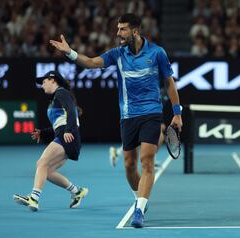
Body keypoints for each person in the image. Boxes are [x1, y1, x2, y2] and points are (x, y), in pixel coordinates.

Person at [50, 13, 183, 228]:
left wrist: (177, 113)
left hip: (151, 113)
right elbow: (92, 63)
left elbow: (169, 83)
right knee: (129, 165)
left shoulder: (157, 53)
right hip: (128, 116)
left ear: (135, 31)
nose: (118, 33)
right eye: (118, 28)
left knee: (147, 161)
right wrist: (70, 53)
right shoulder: (117, 54)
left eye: (122, 29)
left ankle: (139, 209)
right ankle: (139, 198)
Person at [13, 71, 88, 212]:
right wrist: (43, 133)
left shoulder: (61, 93)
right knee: (47, 170)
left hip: (68, 137)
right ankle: (77, 192)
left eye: (43, 82)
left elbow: (72, 111)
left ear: (52, 80)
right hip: (66, 137)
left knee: (41, 163)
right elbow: (58, 124)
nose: (42, 86)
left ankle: (33, 198)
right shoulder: (55, 99)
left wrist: (68, 130)